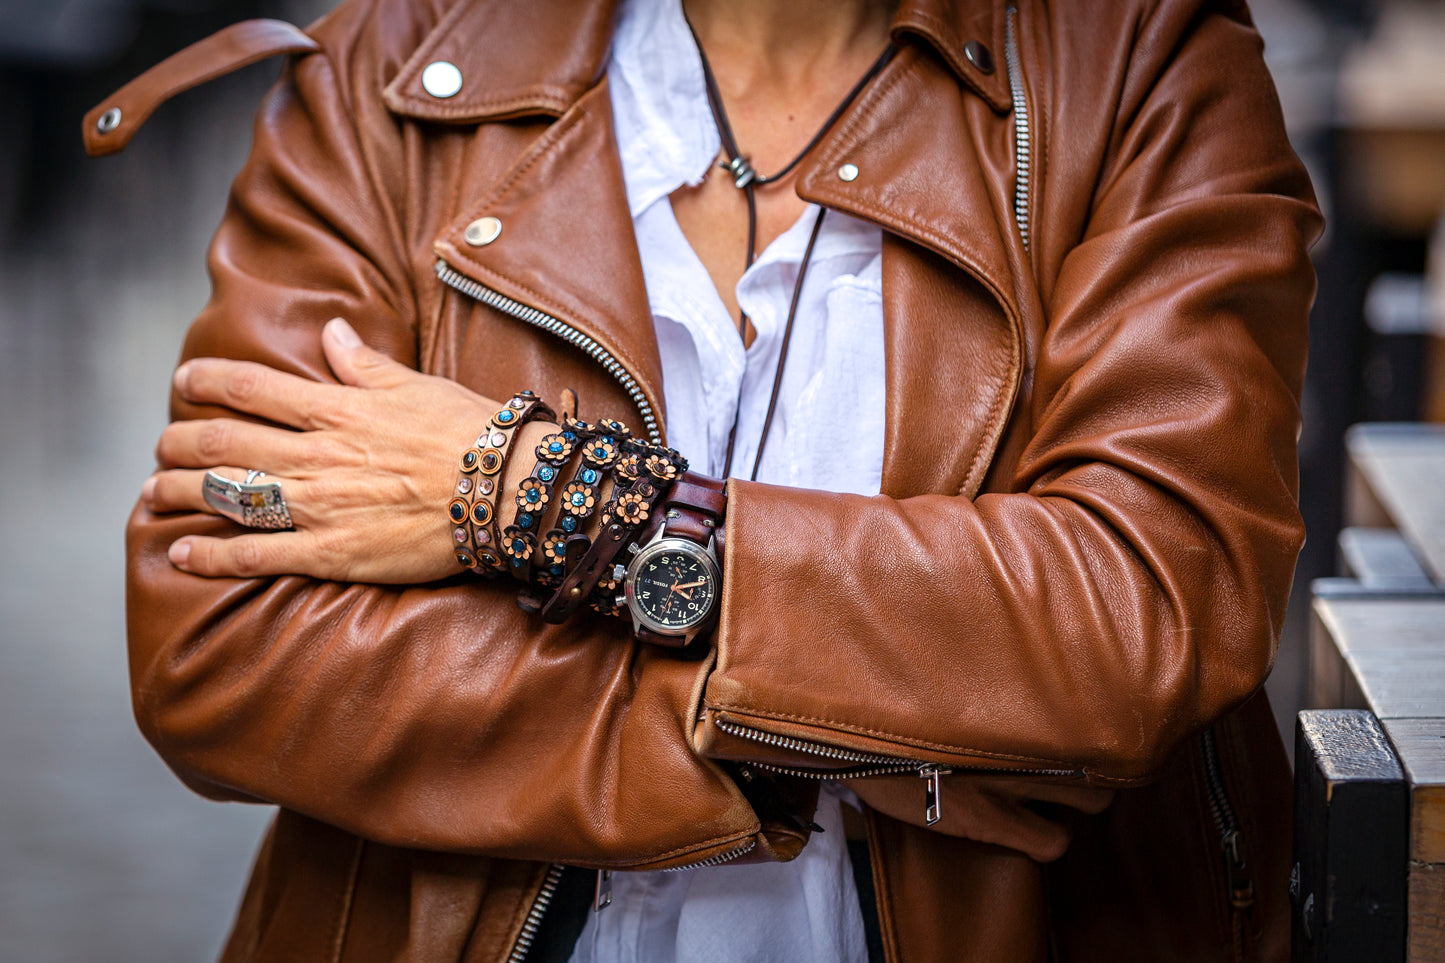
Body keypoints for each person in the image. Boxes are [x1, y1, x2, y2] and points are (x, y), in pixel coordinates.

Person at [97, 0, 1321, 958]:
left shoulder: (1147, 67)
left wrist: (551, 500)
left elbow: (1145, 605)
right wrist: (852, 739)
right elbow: (222, 632)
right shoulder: (395, 67)